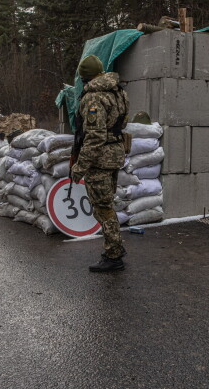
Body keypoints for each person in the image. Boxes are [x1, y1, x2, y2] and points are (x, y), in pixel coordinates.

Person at [70, 55, 129, 272]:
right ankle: (116, 248)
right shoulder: (118, 91)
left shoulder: (93, 98)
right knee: (107, 204)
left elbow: (94, 136)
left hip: (99, 159)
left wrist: (80, 167)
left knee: (103, 208)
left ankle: (113, 254)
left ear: (84, 77)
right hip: (114, 155)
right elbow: (123, 122)